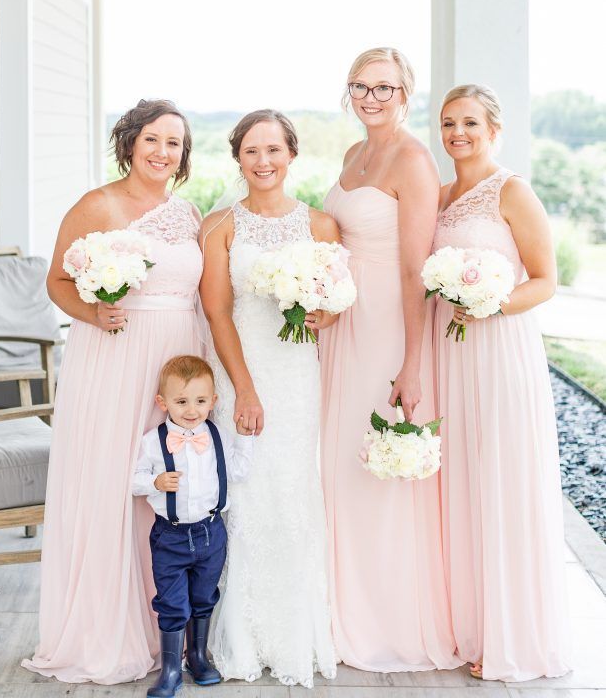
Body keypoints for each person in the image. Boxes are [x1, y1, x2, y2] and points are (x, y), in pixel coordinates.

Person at [22, 99, 203, 685]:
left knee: (173, 483)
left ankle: (166, 628)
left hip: (177, 354)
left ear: (184, 154)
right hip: (116, 355)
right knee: (114, 479)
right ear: (129, 142)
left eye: (174, 143)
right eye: (152, 139)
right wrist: (94, 314)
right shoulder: (96, 204)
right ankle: (107, 627)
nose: (162, 152)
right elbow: (57, 281)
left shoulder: (189, 213)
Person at [319, 47, 460, 671]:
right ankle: (337, 603)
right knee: (337, 460)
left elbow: (414, 270)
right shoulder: (354, 155)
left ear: (406, 92)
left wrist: (413, 362)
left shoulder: (413, 159)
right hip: (342, 323)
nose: (370, 97)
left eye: (383, 87)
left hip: (386, 327)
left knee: (375, 466)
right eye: (359, 86)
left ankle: (386, 619)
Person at [434, 84, 571, 681]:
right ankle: (469, 625)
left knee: (503, 483)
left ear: (494, 130)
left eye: (469, 122)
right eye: (447, 123)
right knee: (461, 486)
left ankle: (514, 636)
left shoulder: (514, 191)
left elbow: (545, 280)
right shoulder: (439, 197)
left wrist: (493, 303)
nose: (457, 133)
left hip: (500, 348)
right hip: (451, 354)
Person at [199, 110, 338, 688]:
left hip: (297, 373)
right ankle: (242, 639)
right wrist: (245, 390)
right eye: (252, 151)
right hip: (242, 373)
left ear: (291, 155)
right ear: (238, 158)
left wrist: (313, 305)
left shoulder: (322, 226)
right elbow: (215, 309)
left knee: (292, 491)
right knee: (249, 497)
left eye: (273, 150)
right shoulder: (220, 224)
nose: (263, 162)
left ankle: (293, 637)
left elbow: (329, 310)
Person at [132, 355, 254, 697]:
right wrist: (155, 481)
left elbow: (239, 472)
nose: (191, 409)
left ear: (213, 401)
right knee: (171, 602)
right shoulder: (152, 441)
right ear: (163, 402)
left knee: (203, 597)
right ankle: (171, 670)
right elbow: (132, 479)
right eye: (181, 401)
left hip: (210, 533)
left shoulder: (219, 436)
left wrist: (246, 439)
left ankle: (198, 657)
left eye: (200, 401)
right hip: (169, 536)